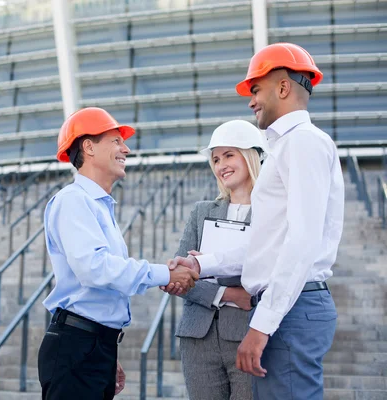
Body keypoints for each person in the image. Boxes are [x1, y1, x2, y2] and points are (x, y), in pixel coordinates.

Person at [165, 42, 345, 400]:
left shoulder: (302, 143)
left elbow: (301, 241)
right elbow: (269, 242)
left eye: (256, 89)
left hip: (293, 307)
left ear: (283, 87)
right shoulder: (289, 146)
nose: (251, 101)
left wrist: (261, 327)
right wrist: (202, 263)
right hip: (288, 307)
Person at [38, 107, 199, 400]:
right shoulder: (74, 200)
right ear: (88, 147)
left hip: (94, 345)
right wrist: (166, 273)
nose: (125, 148)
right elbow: (95, 269)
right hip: (77, 347)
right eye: (115, 140)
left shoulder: (99, 205)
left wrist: (106, 348)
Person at [172, 120, 267, 400]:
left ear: (251, 156)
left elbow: (271, 272)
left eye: (228, 155)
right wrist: (229, 293)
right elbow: (181, 274)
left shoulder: (270, 214)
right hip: (197, 337)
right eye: (215, 159)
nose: (220, 164)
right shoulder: (200, 212)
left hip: (246, 335)